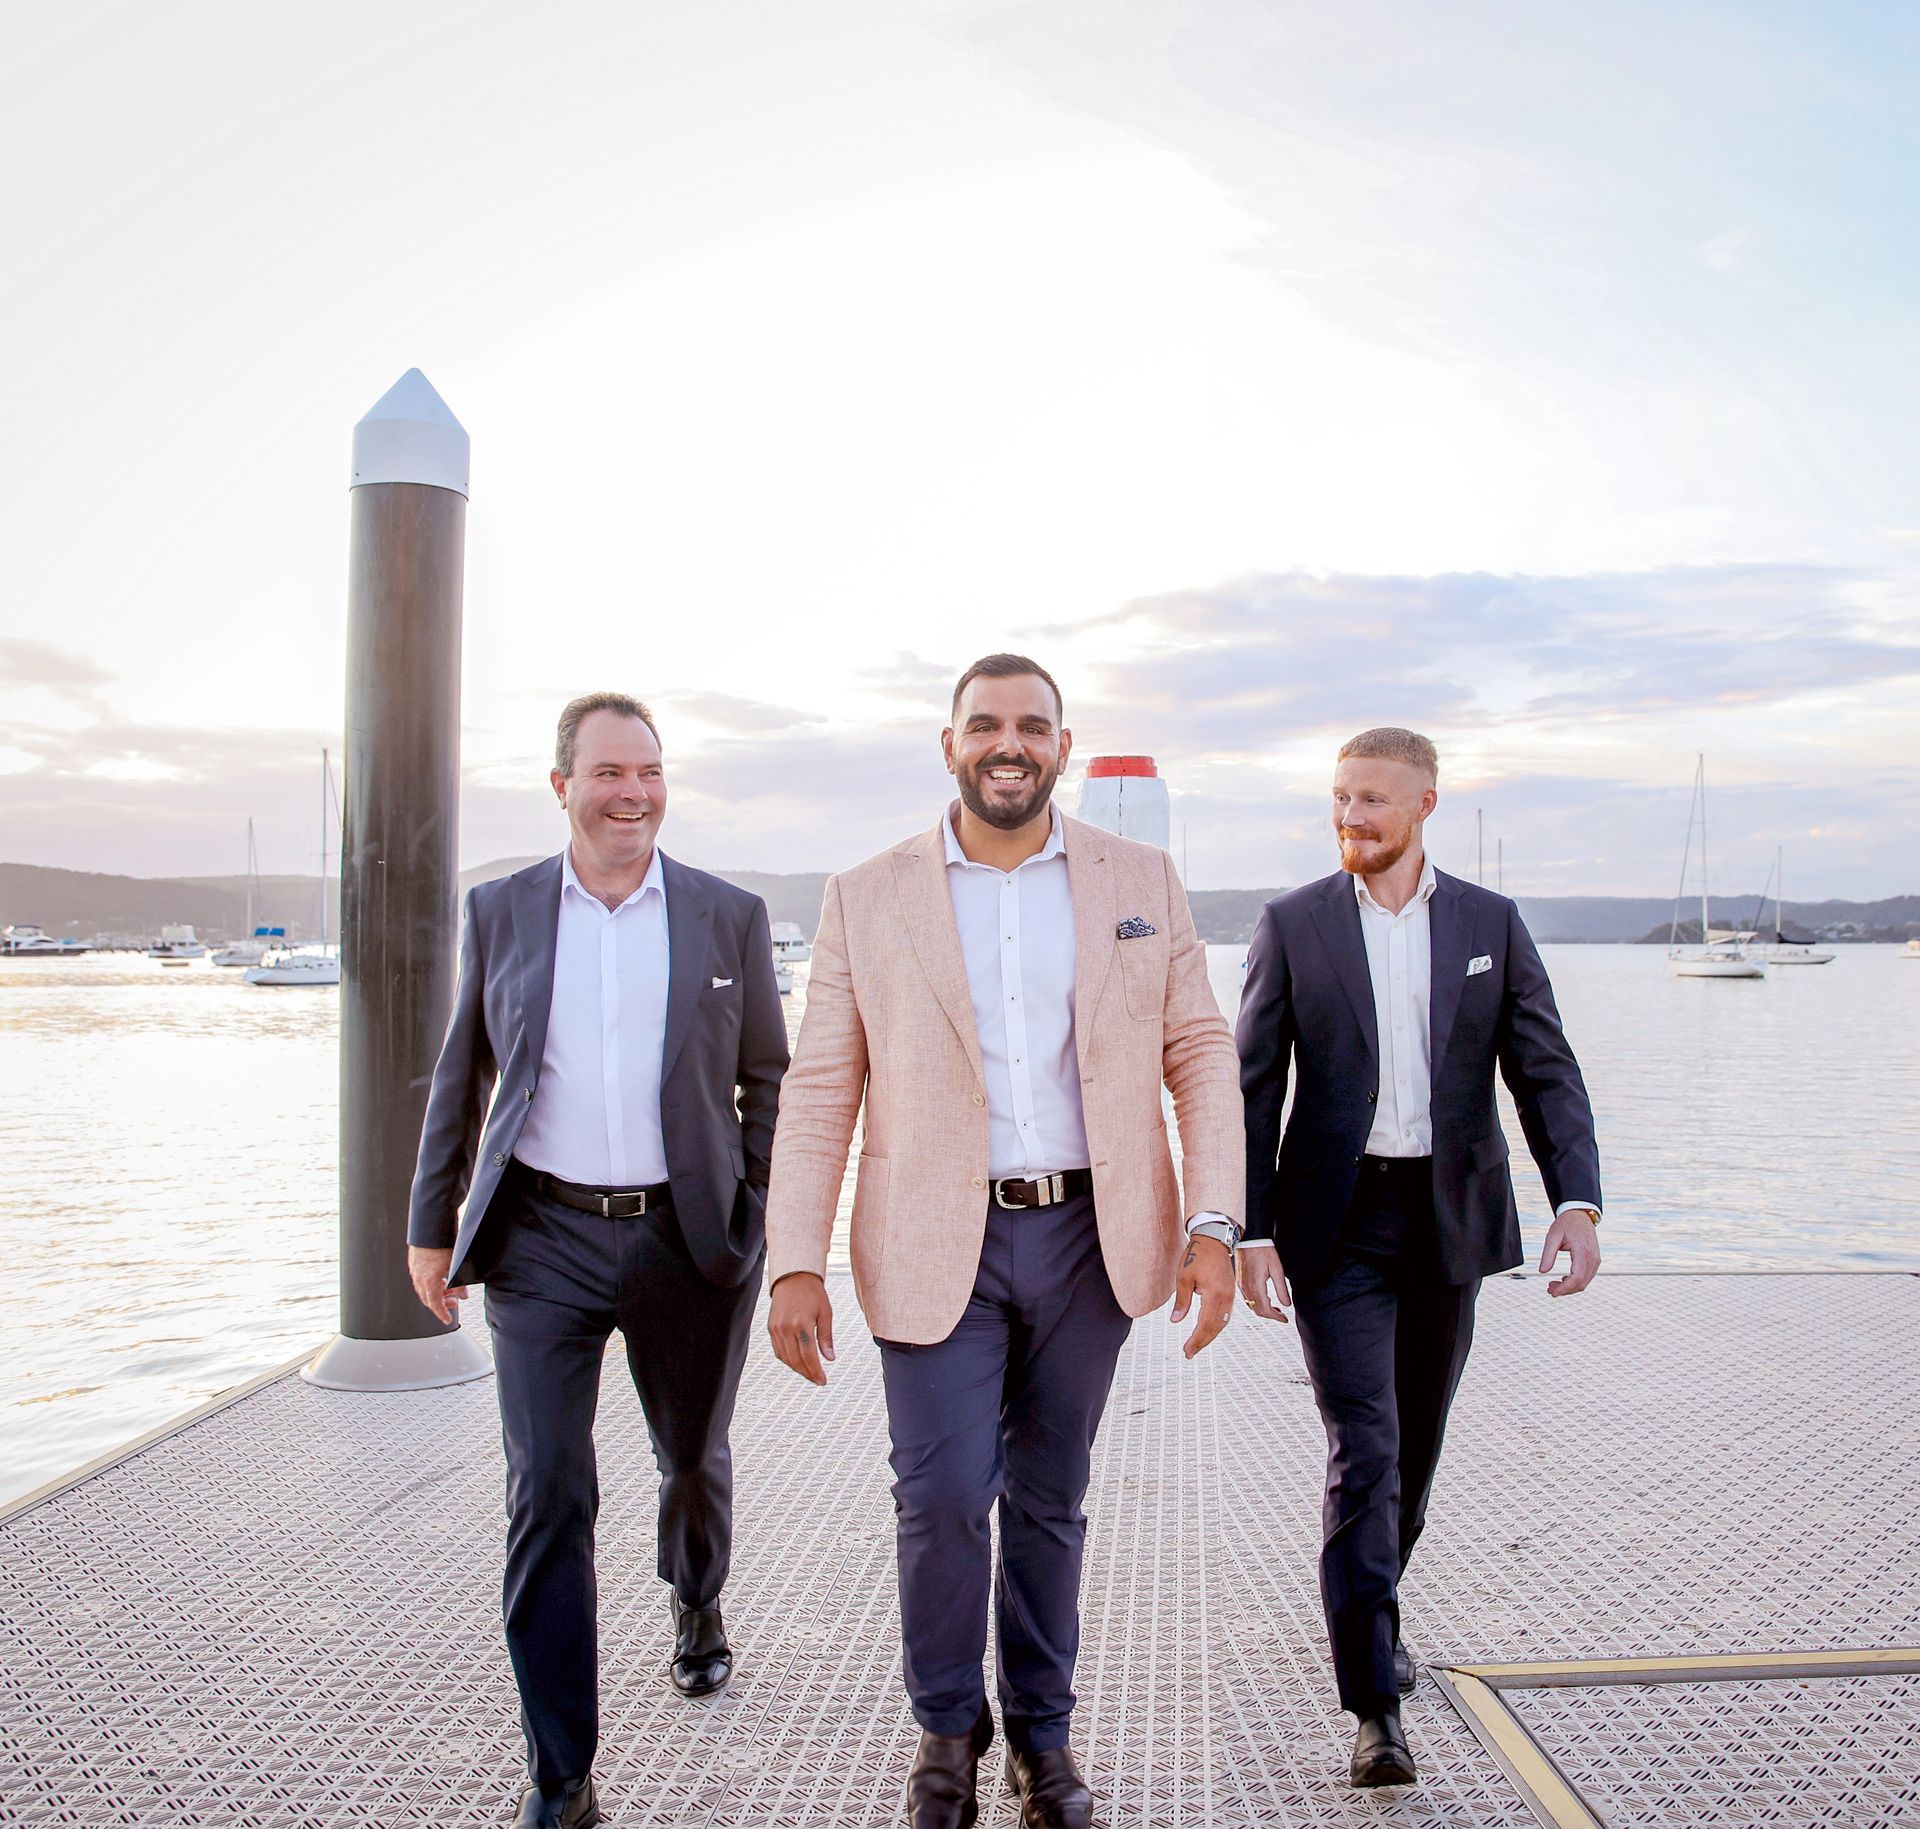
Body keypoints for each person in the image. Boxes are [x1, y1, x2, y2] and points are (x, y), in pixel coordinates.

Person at [763, 653, 1244, 1829]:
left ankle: (1042, 1734)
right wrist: (792, 1259)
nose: (1009, 743)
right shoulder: (864, 893)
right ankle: (944, 1730)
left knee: (1050, 1496)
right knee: (937, 1495)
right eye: (986, 724)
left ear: (1064, 748)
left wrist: (1215, 1223)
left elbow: (1199, 1052)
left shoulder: (1142, 877)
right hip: (935, 1239)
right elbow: (822, 1086)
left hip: (1094, 1235)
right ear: (950, 745)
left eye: (1033, 724)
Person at [405, 693, 788, 1829]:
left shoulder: (728, 913)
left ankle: (696, 1601)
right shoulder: (507, 908)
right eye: (611, 771)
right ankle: (561, 1778)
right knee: (549, 1493)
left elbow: (771, 1078)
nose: (635, 791)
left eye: (652, 771)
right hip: (540, 1240)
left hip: (688, 1238)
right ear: (562, 784)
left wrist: (754, 1214)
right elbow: (461, 1072)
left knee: (691, 1455)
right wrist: (436, 1225)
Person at [1235, 726, 1602, 1790]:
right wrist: (1248, 1227)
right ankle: (1374, 1705)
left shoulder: (1489, 921)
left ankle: (1374, 1601)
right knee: (1368, 1447)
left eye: (1373, 799)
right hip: (1336, 1225)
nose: (1351, 815)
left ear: (1426, 804)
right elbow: (1254, 1085)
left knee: (1418, 1452)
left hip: (1449, 1220)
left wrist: (1575, 1198)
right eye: (1340, 797)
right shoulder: (1293, 923)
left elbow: (1544, 1068)